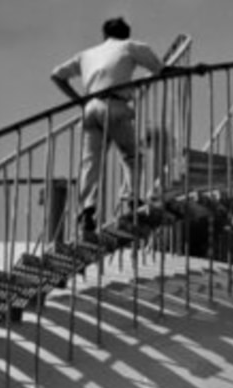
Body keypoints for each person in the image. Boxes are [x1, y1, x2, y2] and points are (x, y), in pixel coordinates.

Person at [50, 18, 168, 240]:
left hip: (90, 109)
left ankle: (87, 210)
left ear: (104, 35)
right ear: (126, 34)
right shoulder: (130, 46)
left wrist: (80, 101)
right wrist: (194, 70)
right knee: (131, 154)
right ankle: (131, 198)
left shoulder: (87, 54)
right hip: (114, 106)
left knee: (90, 162)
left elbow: (56, 75)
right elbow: (162, 69)